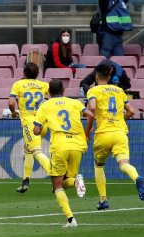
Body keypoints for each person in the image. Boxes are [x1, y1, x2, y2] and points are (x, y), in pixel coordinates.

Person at [34, 79, 92, 227]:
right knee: (66, 182)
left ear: (49, 92)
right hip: (78, 145)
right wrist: (87, 133)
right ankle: (75, 181)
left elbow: (37, 130)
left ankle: (71, 219)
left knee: (57, 186)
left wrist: (41, 127)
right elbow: (91, 114)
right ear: (63, 90)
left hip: (60, 145)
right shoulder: (75, 102)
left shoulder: (45, 106)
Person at [85, 63, 144, 210]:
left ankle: (103, 200)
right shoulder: (119, 91)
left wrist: (89, 129)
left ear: (96, 77)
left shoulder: (94, 90)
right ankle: (137, 178)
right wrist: (119, 120)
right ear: (110, 76)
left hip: (103, 133)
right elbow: (131, 111)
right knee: (124, 164)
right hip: (119, 132)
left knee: (98, 165)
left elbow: (92, 108)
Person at [8, 63, 51, 193]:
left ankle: (58, 174)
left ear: (24, 73)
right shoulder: (43, 85)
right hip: (43, 123)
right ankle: (25, 181)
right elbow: (53, 98)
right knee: (28, 149)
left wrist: (14, 112)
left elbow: (11, 102)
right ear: (37, 74)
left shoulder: (18, 84)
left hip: (30, 124)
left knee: (36, 151)